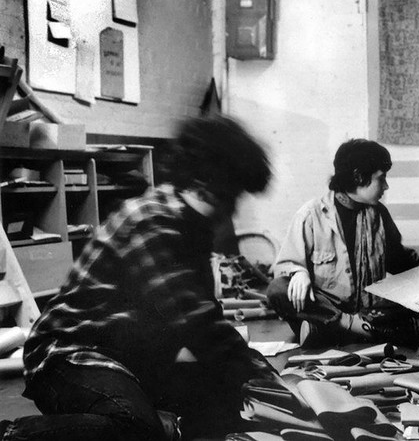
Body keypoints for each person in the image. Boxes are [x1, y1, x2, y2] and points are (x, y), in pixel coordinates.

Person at [1, 115, 278, 441]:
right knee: (134, 427)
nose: (232, 210)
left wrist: (256, 373)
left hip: (127, 355)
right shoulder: (152, 219)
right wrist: (264, 378)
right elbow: (197, 323)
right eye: (232, 195)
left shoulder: (193, 226)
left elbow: (206, 316)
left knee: (228, 400)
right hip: (69, 354)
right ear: (211, 182)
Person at [266, 139, 419, 348]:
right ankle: (351, 329)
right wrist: (297, 272)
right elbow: (283, 268)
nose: (386, 186)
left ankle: (328, 333)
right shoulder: (311, 216)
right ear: (358, 176)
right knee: (278, 290)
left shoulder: (379, 215)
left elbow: (402, 262)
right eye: (381, 179)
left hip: (370, 314)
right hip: (326, 311)